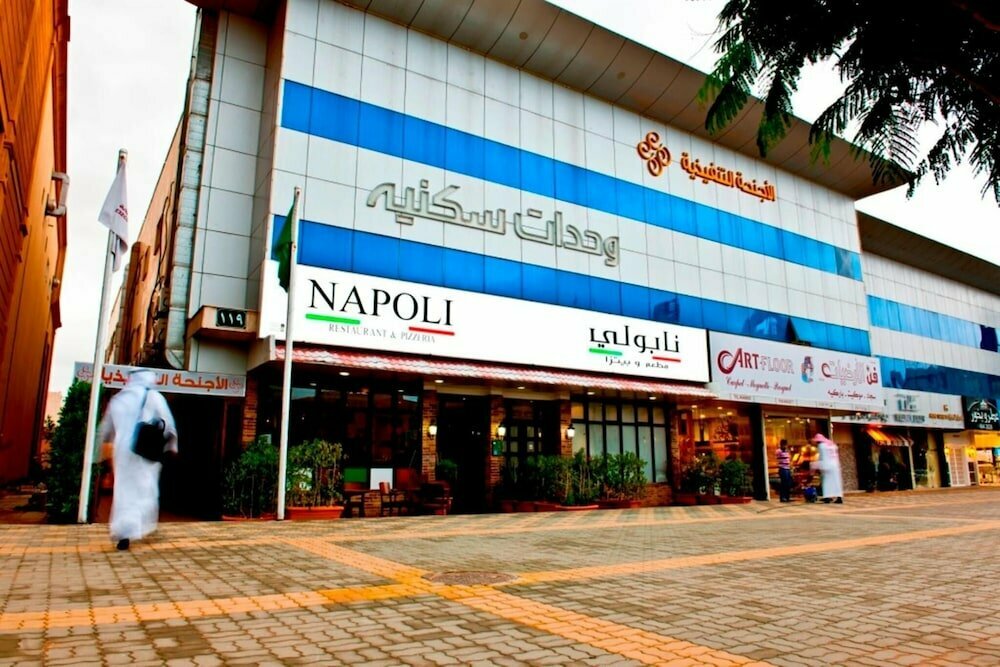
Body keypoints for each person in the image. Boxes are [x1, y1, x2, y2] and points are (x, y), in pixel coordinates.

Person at [98, 369, 178, 550]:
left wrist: (97, 453)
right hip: (145, 451)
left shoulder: (118, 399)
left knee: (123, 493)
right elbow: (168, 425)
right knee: (145, 489)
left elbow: (106, 429)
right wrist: (172, 447)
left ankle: (123, 532)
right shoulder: (154, 397)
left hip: (122, 453)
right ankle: (137, 527)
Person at [811, 434, 843, 504]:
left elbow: (822, 457)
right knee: (836, 483)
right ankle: (839, 497)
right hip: (835, 465)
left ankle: (827, 498)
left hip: (827, 465)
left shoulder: (821, 446)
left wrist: (816, 466)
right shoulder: (832, 444)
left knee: (826, 483)